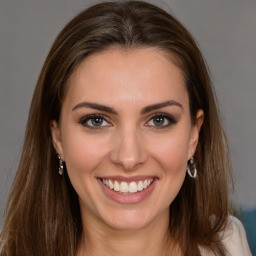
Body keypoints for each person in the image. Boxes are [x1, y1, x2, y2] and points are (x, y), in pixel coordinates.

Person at [0, 1, 252, 255]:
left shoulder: (227, 245)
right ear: (58, 137)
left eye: (159, 120)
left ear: (194, 134)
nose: (129, 158)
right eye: (97, 120)